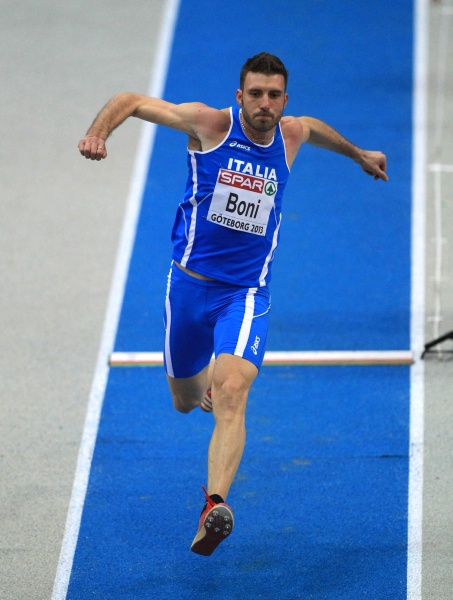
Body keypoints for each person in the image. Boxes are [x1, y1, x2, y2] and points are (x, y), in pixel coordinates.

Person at [78, 52, 388, 556]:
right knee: (185, 400)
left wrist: (358, 154)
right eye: (256, 94)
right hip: (187, 288)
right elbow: (130, 100)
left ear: (283, 100)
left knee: (233, 390)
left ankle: (214, 504)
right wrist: (99, 133)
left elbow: (313, 127)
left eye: (274, 95)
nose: (265, 103)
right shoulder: (209, 125)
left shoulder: (290, 135)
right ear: (240, 95)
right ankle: (203, 382)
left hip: (244, 294)